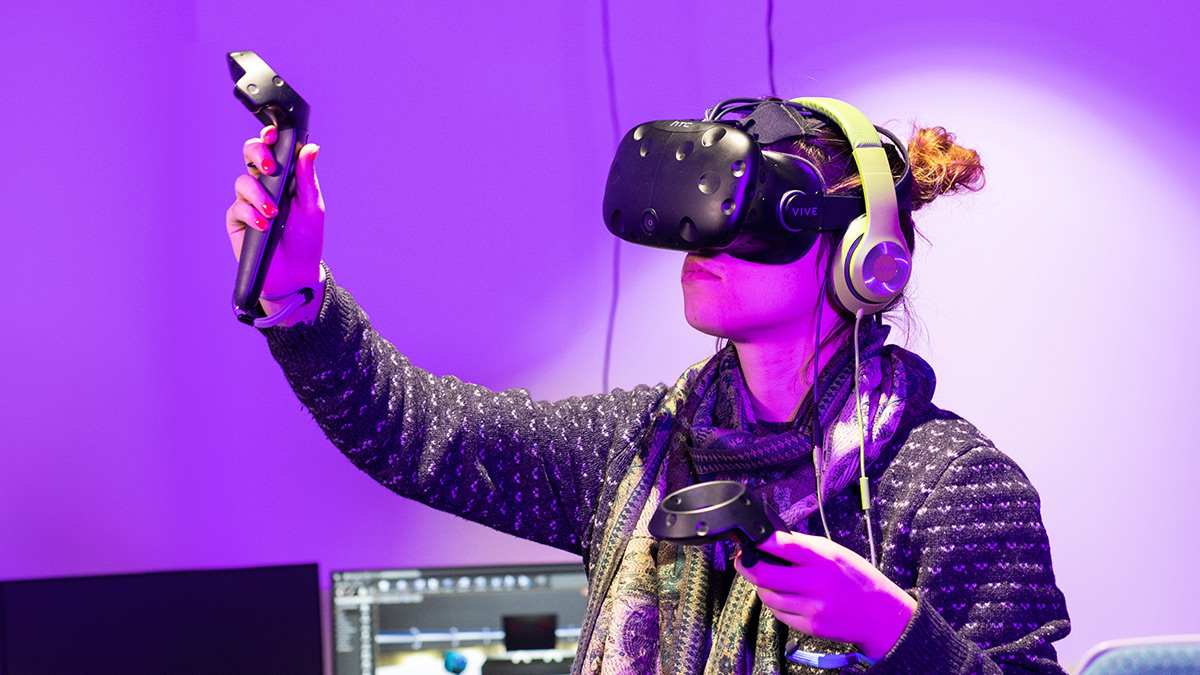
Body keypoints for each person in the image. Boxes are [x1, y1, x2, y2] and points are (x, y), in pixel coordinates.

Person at [225, 98, 1070, 674]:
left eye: (749, 214)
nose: (701, 238)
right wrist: (297, 293)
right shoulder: (643, 444)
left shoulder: (953, 485)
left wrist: (898, 634)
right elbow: (421, 434)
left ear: (864, 257)